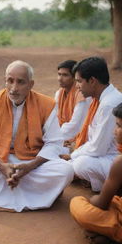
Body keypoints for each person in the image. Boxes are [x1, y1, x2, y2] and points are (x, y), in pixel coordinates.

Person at [0, 60, 74, 213]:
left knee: (66, 170)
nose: (14, 88)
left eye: (20, 82)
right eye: (10, 81)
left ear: (31, 84)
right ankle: (42, 194)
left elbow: (54, 143)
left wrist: (29, 167)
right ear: (5, 81)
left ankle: (10, 193)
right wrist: (1, 167)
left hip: (33, 163)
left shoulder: (46, 104)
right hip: (1, 160)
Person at [60, 57, 122, 192]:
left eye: (79, 81)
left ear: (92, 81)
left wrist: (72, 155)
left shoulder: (109, 104)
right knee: (71, 162)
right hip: (106, 153)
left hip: (114, 158)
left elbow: (97, 148)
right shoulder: (101, 100)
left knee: (80, 165)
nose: (77, 86)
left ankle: (111, 185)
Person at [70, 103, 122, 244]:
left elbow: (101, 204)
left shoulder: (119, 163)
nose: (114, 131)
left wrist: (91, 200)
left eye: (118, 126)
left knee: (78, 204)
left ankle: (112, 233)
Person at [55, 60, 90, 148]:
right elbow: (54, 119)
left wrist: (55, 138)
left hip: (81, 139)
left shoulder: (82, 95)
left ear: (75, 77)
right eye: (59, 74)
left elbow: (76, 125)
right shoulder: (59, 94)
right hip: (64, 137)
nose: (60, 78)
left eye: (65, 75)